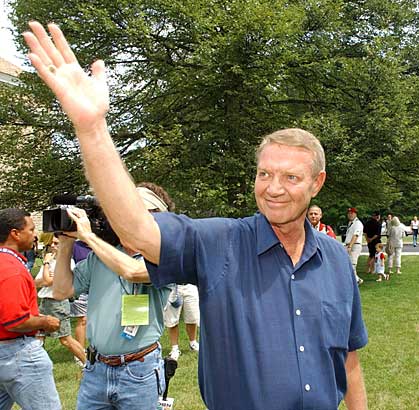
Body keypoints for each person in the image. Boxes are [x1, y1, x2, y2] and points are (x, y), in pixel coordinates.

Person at [24, 21, 369, 410]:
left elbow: (349, 360)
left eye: (291, 177)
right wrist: (93, 129)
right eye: (264, 173)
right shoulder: (220, 243)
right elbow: (138, 230)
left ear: (316, 183)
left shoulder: (336, 259)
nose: (274, 187)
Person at [53, 185, 174, 409]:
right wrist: (66, 242)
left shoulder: (165, 257)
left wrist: (88, 237)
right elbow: (61, 291)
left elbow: (132, 272)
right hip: (96, 369)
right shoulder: (101, 256)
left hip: (139, 370)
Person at [0, 208, 62, 410]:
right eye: (31, 229)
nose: (35, 235)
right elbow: (15, 321)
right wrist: (45, 322)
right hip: (17, 352)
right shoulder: (11, 269)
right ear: (15, 234)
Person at [34, 235, 87, 365]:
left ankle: (87, 363)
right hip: (45, 302)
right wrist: (47, 276)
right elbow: (36, 283)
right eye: (51, 243)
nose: (53, 246)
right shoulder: (51, 260)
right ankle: (37, 365)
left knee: (65, 339)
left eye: (57, 243)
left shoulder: (67, 262)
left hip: (58, 303)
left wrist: (46, 265)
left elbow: (47, 280)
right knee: (39, 336)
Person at [165, 283, 200, 360]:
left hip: (190, 285)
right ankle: (175, 348)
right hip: (172, 286)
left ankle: (193, 343)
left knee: (192, 317)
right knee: (172, 320)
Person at [344, 207, 364, 284]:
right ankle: (357, 280)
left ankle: (355, 281)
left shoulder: (358, 223)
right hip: (349, 245)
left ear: (355, 214)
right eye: (349, 213)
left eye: (352, 213)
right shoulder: (350, 223)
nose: (350, 215)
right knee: (348, 264)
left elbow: (356, 235)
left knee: (352, 264)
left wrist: (350, 246)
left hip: (355, 245)